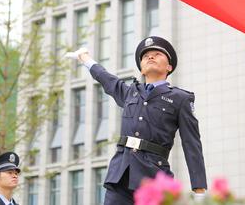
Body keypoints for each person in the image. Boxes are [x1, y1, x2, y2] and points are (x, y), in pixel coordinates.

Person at [65, 36, 206, 205]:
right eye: (146, 56)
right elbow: (106, 79)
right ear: (141, 68)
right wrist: (85, 58)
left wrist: (199, 190)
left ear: (169, 67)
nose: (150, 57)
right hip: (121, 175)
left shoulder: (180, 99)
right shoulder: (130, 92)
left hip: (153, 178)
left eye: (157, 54)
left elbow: (192, 144)